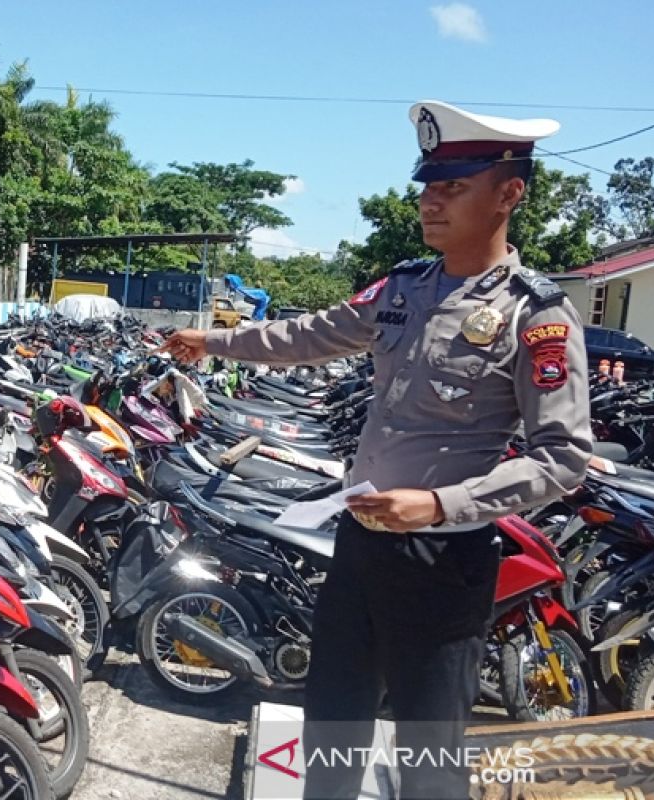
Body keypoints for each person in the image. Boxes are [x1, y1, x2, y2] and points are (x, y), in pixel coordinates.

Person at [162, 100, 592, 799]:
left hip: (443, 560)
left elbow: (562, 457)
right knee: (332, 725)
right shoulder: (404, 287)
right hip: (360, 545)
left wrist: (438, 505)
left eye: (453, 186)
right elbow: (307, 336)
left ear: (508, 193)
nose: (430, 201)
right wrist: (213, 341)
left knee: (428, 753)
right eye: (428, 185)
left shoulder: (534, 315)